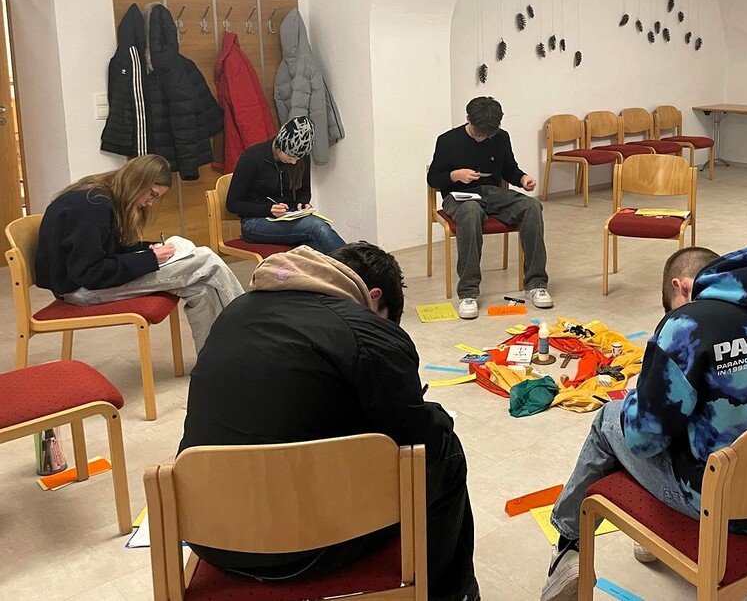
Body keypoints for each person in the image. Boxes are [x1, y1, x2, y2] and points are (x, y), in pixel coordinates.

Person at [179, 241, 478, 601]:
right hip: (307, 551)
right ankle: (452, 595)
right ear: (374, 299)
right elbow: (420, 438)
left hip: (210, 535)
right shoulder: (368, 331)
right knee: (446, 453)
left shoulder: (235, 310)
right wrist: (435, 416)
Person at [540, 245, 747, 601]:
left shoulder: (687, 325)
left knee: (610, 420)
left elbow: (642, 440)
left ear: (682, 286)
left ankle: (568, 548)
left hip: (731, 508)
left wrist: (644, 396)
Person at [34, 154, 244, 352]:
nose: (150, 203)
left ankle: (213, 363)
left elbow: (109, 249)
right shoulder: (93, 206)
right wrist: (149, 258)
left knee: (202, 288)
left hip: (85, 282)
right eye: (152, 194)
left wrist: (146, 248)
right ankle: (248, 325)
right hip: (81, 290)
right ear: (138, 181)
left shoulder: (103, 194)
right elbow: (90, 273)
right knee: (205, 259)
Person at [427, 96, 552, 319]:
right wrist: (455, 175)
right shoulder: (447, 140)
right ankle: (468, 293)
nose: (483, 137)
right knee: (471, 211)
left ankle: (536, 284)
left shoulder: (501, 137)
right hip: (459, 197)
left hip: (492, 193)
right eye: (479, 133)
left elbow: (509, 168)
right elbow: (433, 178)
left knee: (532, 206)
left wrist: (522, 178)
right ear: (468, 119)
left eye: (488, 134)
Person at [227, 115, 345, 253]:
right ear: (279, 148)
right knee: (316, 226)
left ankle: (347, 264)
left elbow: (304, 192)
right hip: (255, 223)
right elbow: (232, 204)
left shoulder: (300, 157)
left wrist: (302, 204)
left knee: (317, 246)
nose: (294, 162)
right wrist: (268, 209)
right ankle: (356, 263)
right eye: (290, 158)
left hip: (288, 217)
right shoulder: (252, 158)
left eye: (297, 158)